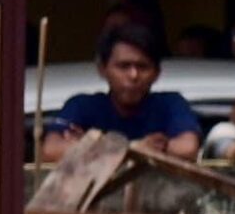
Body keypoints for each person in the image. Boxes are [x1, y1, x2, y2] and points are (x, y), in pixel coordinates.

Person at [38, 34, 204, 160]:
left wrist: (90, 147)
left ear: (157, 72)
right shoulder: (82, 106)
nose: (133, 75)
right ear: (102, 69)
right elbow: (51, 150)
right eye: (123, 66)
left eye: (142, 66)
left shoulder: (171, 104)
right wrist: (138, 148)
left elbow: (188, 148)